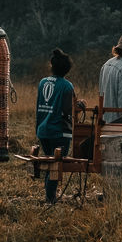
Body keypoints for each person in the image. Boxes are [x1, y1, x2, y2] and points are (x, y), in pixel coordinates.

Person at [36, 48, 76, 204]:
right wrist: (77, 105)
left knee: (50, 162)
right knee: (56, 165)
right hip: (59, 132)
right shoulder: (67, 86)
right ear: (67, 69)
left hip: (43, 130)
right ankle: (50, 198)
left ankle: (49, 195)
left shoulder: (42, 82)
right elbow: (66, 112)